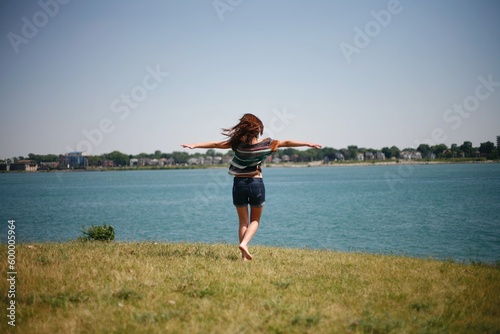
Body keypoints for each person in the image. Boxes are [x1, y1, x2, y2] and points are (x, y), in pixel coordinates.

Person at [181, 113, 321, 261]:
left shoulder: (237, 144)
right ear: (259, 129)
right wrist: (307, 144)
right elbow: (287, 142)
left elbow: (216, 144)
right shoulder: (268, 144)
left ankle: (243, 257)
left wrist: (194, 145)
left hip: (239, 184)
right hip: (256, 184)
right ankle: (245, 244)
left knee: (243, 221)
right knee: (255, 220)